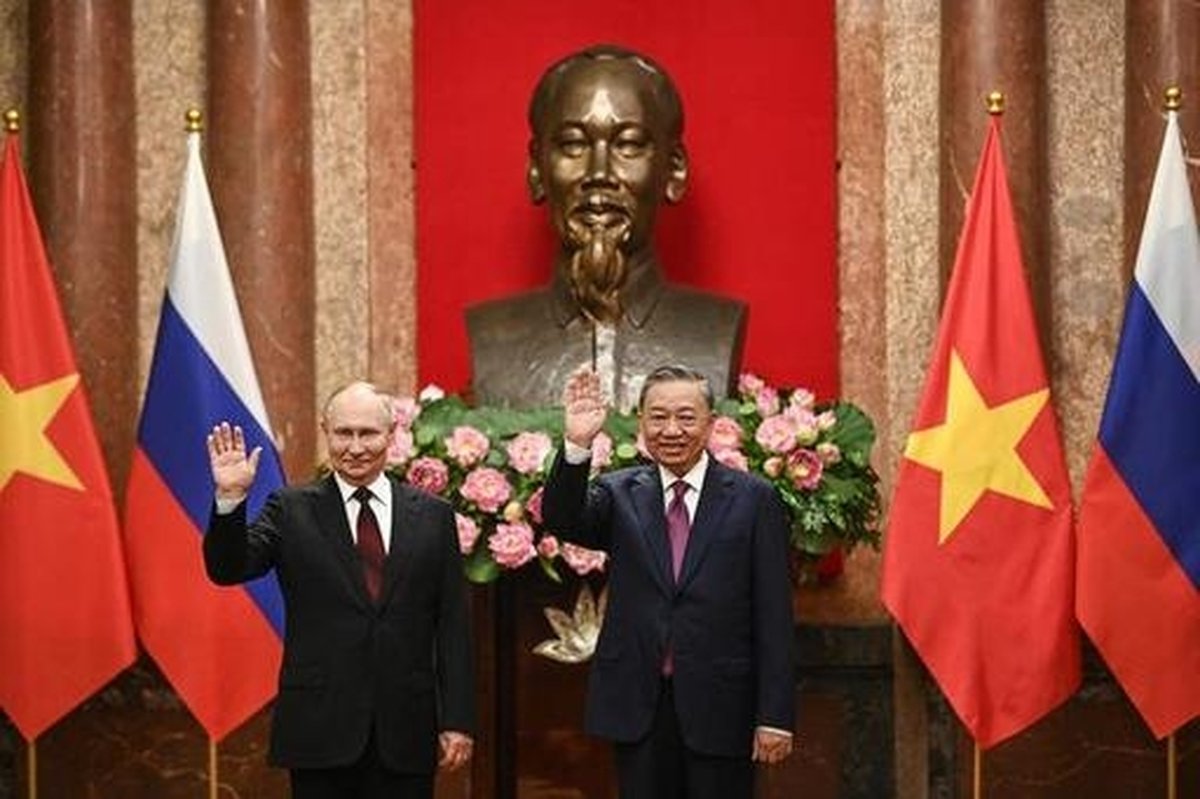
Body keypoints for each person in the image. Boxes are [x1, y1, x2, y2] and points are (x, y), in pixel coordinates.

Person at [203, 381, 474, 799]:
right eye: (344, 433)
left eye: (368, 433)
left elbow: (452, 624)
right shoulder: (289, 509)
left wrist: (457, 720)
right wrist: (229, 499)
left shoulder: (433, 517)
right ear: (325, 431)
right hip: (320, 730)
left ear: (391, 434)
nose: (355, 447)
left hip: (406, 732)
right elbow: (228, 568)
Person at [541, 364, 795, 799]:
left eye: (686, 417)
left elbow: (774, 613)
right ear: (641, 423)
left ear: (711, 423)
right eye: (658, 417)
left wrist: (775, 715)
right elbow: (562, 519)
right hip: (640, 703)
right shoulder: (619, 493)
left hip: (723, 703)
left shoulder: (754, 500)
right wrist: (578, 444)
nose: (671, 430)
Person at [467, 45, 746, 411]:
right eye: (573, 145)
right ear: (536, 169)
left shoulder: (717, 329)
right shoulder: (493, 334)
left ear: (674, 170)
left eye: (628, 145)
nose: (599, 173)